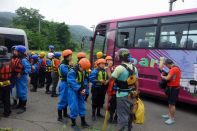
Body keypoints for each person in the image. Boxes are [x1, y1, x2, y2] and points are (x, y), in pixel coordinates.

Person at [111, 48, 139, 131]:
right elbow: (136, 81)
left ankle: (123, 129)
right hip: (132, 94)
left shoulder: (119, 68)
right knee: (130, 114)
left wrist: (108, 69)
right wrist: (137, 91)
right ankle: (129, 128)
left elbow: (111, 79)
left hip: (122, 95)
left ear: (120, 57)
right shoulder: (134, 68)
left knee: (122, 114)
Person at [67, 58, 91, 129]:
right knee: (74, 106)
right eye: (83, 69)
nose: (84, 70)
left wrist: (83, 88)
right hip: (73, 91)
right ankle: (73, 123)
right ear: (80, 66)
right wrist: (80, 88)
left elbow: (83, 81)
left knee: (82, 105)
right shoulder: (72, 71)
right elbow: (71, 82)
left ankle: (83, 122)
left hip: (80, 90)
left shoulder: (82, 71)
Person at [161, 58, 181, 125]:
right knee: (170, 103)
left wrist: (162, 76)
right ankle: (169, 115)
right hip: (172, 88)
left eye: (166, 65)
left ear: (168, 64)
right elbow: (172, 77)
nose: (167, 67)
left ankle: (172, 119)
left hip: (174, 88)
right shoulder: (176, 68)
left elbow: (167, 78)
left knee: (172, 104)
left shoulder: (173, 69)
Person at [57, 49, 72, 122]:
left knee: (66, 99)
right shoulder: (63, 65)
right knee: (62, 99)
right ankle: (59, 117)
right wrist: (72, 67)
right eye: (70, 56)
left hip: (67, 84)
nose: (71, 57)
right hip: (64, 84)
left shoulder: (66, 64)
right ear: (66, 57)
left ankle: (65, 114)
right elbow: (68, 74)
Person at [15, 45, 31, 114]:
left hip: (22, 78)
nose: (15, 52)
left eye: (16, 51)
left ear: (20, 52)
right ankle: (19, 104)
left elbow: (28, 69)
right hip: (19, 79)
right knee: (19, 91)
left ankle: (23, 107)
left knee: (23, 92)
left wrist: (20, 73)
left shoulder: (24, 60)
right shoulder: (19, 58)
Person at [0, 46, 12, 117]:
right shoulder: (9, 60)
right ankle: (7, 112)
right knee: (6, 97)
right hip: (7, 82)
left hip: (0, 82)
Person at [105, 56, 117, 123]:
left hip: (115, 90)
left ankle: (115, 118)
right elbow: (110, 77)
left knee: (115, 105)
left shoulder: (115, 68)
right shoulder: (106, 68)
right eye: (108, 60)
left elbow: (111, 77)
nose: (110, 61)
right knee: (112, 104)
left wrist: (109, 69)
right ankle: (111, 117)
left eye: (111, 60)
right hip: (111, 89)